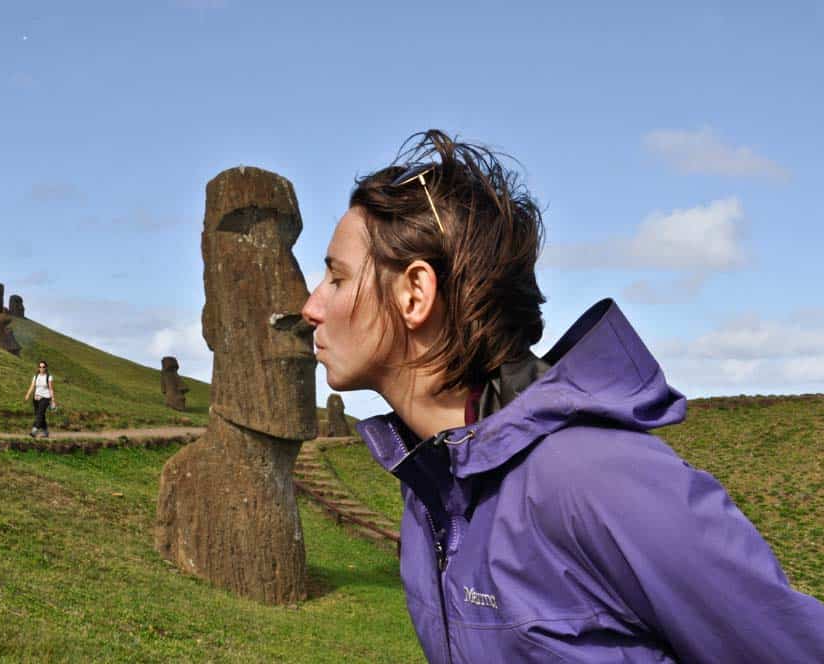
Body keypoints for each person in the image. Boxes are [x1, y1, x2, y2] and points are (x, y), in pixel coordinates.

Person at [300, 130, 824, 663]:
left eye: (336, 278)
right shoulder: (431, 492)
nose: (310, 307)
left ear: (415, 293)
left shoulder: (598, 479)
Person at [23, 359, 57, 438]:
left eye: (43, 367)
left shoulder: (49, 377)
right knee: (40, 415)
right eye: (40, 367)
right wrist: (28, 394)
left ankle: (34, 431)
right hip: (36, 398)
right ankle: (45, 432)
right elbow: (32, 386)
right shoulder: (36, 376)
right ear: (38, 368)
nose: (42, 368)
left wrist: (53, 400)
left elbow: (51, 389)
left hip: (45, 398)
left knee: (40, 414)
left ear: (46, 368)